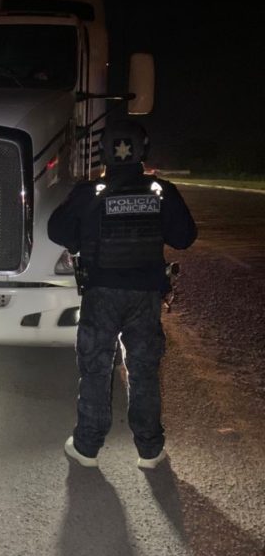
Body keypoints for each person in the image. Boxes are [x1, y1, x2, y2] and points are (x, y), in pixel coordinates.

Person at [47, 120, 197, 469]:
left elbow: (57, 230)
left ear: (103, 152)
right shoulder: (161, 191)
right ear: (143, 151)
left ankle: (87, 448)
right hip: (145, 296)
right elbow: (184, 238)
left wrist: (82, 237)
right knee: (143, 369)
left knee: (96, 368)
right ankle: (150, 450)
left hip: (100, 294)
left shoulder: (89, 193)